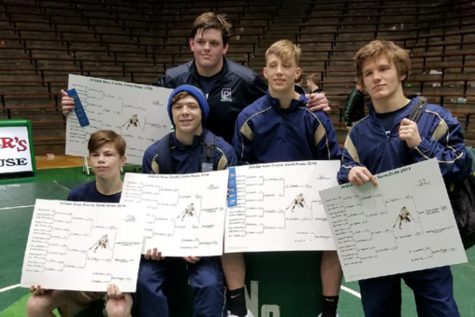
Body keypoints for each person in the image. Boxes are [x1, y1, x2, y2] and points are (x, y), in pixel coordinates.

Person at [60, 12, 331, 317]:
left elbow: (280, 96)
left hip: (219, 178)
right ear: (191, 43)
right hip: (177, 178)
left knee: (208, 278)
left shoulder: (244, 81)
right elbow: (131, 112)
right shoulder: (172, 81)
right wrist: (78, 110)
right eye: (200, 41)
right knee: (150, 276)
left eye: (214, 43)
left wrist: (309, 99)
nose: (206, 48)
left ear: (224, 47)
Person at [337, 39, 472, 317]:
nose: (376, 77)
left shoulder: (436, 118)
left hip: (428, 240)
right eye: (368, 73)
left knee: (440, 311)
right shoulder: (358, 133)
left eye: (384, 68)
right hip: (376, 243)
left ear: (402, 73)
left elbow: (460, 164)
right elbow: (343, 173)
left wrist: (421, 145)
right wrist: (349, 173)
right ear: (361, 84)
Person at [233, 39, 342, 317]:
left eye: (286, 65)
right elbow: (241, 168)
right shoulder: (249, 117)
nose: (279, 71)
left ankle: (328, 310)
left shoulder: (315, 117)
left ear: (297, 73)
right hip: (264, 207)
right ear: (265, 73)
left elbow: (331, 165)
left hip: (309, 207)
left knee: (336, 236)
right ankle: (237, 307)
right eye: (273, 66)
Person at [137, 84, 237, 317]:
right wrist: (154, 241)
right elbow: (149, 207)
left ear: (202, 112)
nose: (185, 112)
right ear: (171, 113)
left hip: (204, 244)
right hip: (164, 243)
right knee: (145, 281)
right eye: (178, 106)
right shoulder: (154, 155)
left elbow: (230, 206)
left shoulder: (223, 153)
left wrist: (203, 243)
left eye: (192, 106)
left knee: (210, 284)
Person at [26, 129, 133, 317]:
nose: (101, 159)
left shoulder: (136, 197)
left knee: (117, 310)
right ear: (89, 159)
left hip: (117, 281)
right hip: (79, 279)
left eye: (108, 154)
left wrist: (124, 280)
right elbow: (63, 243)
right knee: (36, 304)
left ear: (122, 160)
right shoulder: (78, 196)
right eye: (95, 154)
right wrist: (44, 276)